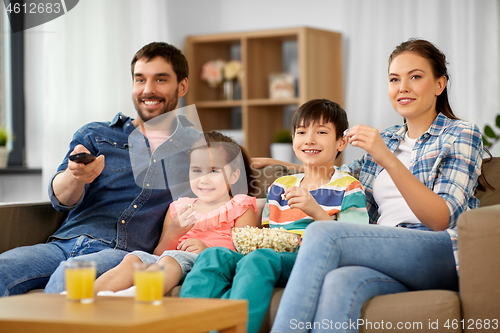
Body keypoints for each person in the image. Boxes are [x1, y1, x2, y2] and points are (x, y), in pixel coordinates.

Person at [268, 39, 483, 333]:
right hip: (384, 248)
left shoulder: (460, 134)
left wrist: (387, 159)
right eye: (394, 79)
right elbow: (336, 174)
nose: (402, 87)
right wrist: (281, 166)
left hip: (438, 250)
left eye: (415, 77)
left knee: (324, 233)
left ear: (439, 84)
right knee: (339, 282)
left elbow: (441, 218)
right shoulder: (389, 138)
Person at [0, 42, 201, 296]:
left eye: (161, 80)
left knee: (69, 277)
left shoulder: (196, 149)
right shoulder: (96, 134)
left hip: (120, 254)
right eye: (140, 80)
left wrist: (258, 164)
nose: (148, 90)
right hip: (62, 243)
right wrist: (75, 177)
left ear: (182, 86)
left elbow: (227, 180)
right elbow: (60, 199)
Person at [180, 99, 369, 333]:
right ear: (293, 139)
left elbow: (354, 245)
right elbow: (268, 236)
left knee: (259, 259)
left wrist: (315, 210)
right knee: (213, 256)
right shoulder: (280, 186)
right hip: (271, 254)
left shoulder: (349, 187)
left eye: (321, 132)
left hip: (308, 258)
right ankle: (185, 326)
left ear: (341, 141)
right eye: (301, 132)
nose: (309, 139)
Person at [93, 131, 258, 295]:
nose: (203, 179)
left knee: (172, 260)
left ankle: (136, 296)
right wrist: (173, 233)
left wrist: (206, 251)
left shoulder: (240, 206)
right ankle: (85, 295)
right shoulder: (179, 207)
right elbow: (159, 254)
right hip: (169, 260)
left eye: (214, 171)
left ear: (234, 176)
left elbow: (246, 258)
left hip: (206, 265)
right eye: (196, 170)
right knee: (134, 259)